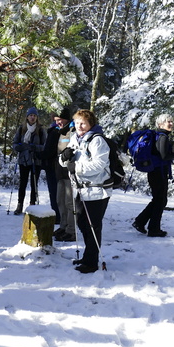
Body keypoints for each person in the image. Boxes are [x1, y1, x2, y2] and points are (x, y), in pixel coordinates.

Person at [58, 109, 112, 274]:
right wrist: (64, 157)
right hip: (81, 190)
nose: (79, 126)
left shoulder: (97, 140)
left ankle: (91, 262)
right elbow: (65, 163)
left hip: (97, 190)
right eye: (77, 123)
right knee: (82, 223)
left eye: (83, 123)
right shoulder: (75, 138)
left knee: (92, 227)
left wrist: (77, 167)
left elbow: (99, 165)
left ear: (90, 124)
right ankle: (88, 257)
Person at [132, 114, 174, 237]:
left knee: (159, 200)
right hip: (158, 173)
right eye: (168, 122)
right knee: (160, 200)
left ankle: (141, 222)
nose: (171, 124)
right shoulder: (162, 137)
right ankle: (153, 229)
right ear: (160, 124)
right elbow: (164, 156)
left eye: (171, 121)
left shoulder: (159, 136)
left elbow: (161, 154)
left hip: (155, 171)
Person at [11, 106, 47, 215]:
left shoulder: (40, 130)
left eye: (34, 115)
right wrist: (19, 147)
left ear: (37, 117)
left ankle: (32, 205)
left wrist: (34, 147)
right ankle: (19, 205)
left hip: (36, 160)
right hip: (24, 160)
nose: (32, 117)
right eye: (31, 115)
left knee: (34, 184)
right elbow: (15, 143)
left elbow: (45, 146)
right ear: (27, 117)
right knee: (22, 183)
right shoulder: (21, 128)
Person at [51, 108, 76, 242]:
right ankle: (63, 226)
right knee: (60, 201)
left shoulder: (73, 131)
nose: (58, 122)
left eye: (60, 119)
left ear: (66, 119)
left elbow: (75, 151)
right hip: (60, 172)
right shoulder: (61, 132)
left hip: (69, 173)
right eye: (56, 120)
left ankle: (71, 230)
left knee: (69, 203)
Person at [42, 111, 62, 224]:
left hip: (53, 165)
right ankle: (58, 215)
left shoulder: (55, 131)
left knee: (55, 192)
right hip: (52, 165)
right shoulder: (54, 130)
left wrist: (39, 155)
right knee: (55, 192)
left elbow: (49, 150)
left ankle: (57, 216)